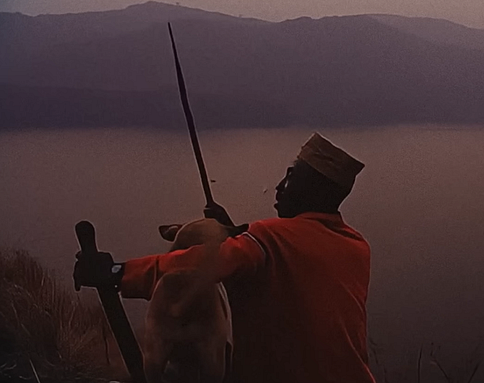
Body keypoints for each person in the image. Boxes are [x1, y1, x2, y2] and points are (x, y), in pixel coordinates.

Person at [74, 133, 375, 383]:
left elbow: (200, 264)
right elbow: (291, 274)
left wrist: (117, 272)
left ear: (317, 189)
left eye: (292, 177)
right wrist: (232, 231)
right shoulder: (357, 247)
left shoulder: (270, 238)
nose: (280, 186)